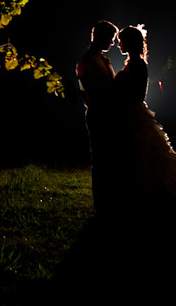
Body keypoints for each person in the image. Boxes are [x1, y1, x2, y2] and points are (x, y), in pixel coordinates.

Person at [112, 24, 176, 222]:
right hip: (129, 114)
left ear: (129, 42)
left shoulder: (137, 65)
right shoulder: (134, 63)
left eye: (121, 40)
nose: (118, 43)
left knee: (143, 160)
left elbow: (137, 94)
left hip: (133, 116)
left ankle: (152, 205)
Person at [75, 20, 118, 216]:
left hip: (109, 113)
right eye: (111, 39)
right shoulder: (86, 61)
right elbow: (91, 90)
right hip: (99, 114)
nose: (113, 43)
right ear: (100, 37)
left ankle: (109, 201)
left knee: (110, 160)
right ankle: (101, 204)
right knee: (101, 159)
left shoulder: (102, 59)